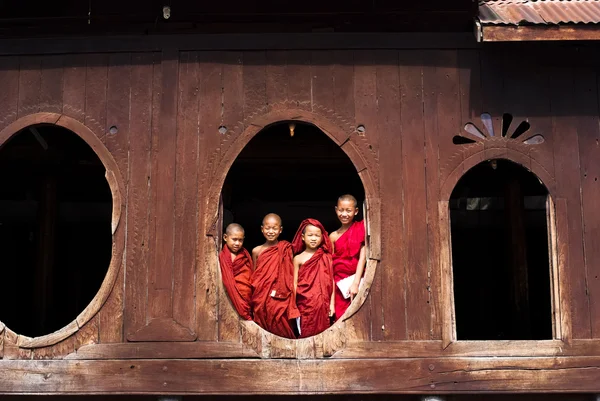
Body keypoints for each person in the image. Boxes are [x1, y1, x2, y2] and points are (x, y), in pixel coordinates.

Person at [250, 213, 299, 338]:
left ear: (280, 230)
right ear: (262, 229)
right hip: (261, 296)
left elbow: (289, 273)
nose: (271, 231)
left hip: (281, 298)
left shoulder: (286, 249)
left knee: (282, 328)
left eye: (274, 228)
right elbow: (255, 275)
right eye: (267, 228)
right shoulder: (256, 251)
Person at [292, 219, 334, 338]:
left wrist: (332, 304)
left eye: (317, 235)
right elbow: (294, 283)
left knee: (323, 333)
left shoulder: (326, 257)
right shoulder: (298, 259)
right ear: (303, 237)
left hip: (322, 303)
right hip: (304, 303)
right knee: (305, 330)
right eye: (310, 235)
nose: (314, 238)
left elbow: (331, 281)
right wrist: (293, 304)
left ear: (322, 237)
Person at [330, 194, 366, 321]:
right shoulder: (333, 236)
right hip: (339, 286)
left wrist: (355, 284)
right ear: (336, 210)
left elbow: (363, 258)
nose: (344, 214)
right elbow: (331, 268)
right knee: (340, 320)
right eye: (341, 210)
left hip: (357, 280)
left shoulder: (361, 228)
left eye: (348, 210)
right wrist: (331, 301)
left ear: (356, 211)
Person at [218, 223, 253, 320]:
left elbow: (250, 275)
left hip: (247, 297)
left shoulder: (245, 255)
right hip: (231, 298)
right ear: (225, 237)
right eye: (234, 239)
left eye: (240, 240)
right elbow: (228, 282)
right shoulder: (224, 257)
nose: (237, 243)